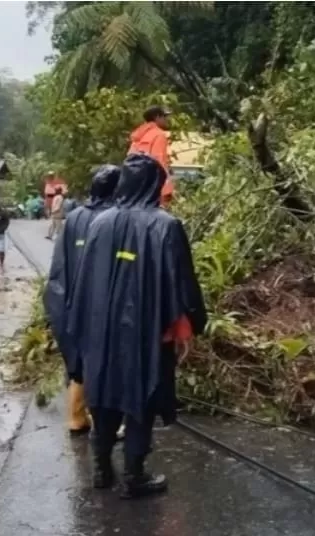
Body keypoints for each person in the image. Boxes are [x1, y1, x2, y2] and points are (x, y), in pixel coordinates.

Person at [65, 153, 207, 498]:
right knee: (140, 396)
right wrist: (189, 325)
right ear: (154, 185)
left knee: (103, 394)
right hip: (146, 330)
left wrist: (78, 328)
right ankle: (134, 474)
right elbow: (182, 284)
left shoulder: (100, 222)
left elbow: (82, 282)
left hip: (99, 329)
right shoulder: (165, 225)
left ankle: (101, 468)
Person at [44, 165, 121, 436]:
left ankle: (77, 418)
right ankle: (107, 421)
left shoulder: (75, 218)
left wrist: (55, 306)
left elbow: (59, 266)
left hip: (72, 303)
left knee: (78, 361)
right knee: (107, 361)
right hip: (104, 304)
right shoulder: (117, 219)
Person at [128, 106, 176, 209]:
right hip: (152, 192)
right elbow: (160, 163)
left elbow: (128, 162)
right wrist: (166, 191)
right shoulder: (159, 135)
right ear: (157, 117)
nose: (166, 119)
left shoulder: (138, 136)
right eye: (164, 116)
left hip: (135, 190)